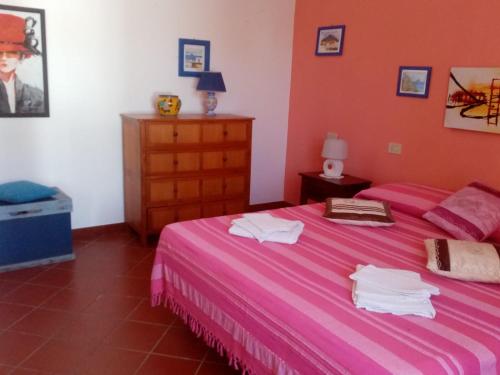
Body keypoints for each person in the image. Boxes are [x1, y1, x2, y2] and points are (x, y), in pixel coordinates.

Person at [0, 13, 45, 114]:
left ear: (22, 56)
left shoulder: (37, 96)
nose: (4, 58)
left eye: (12, 53)